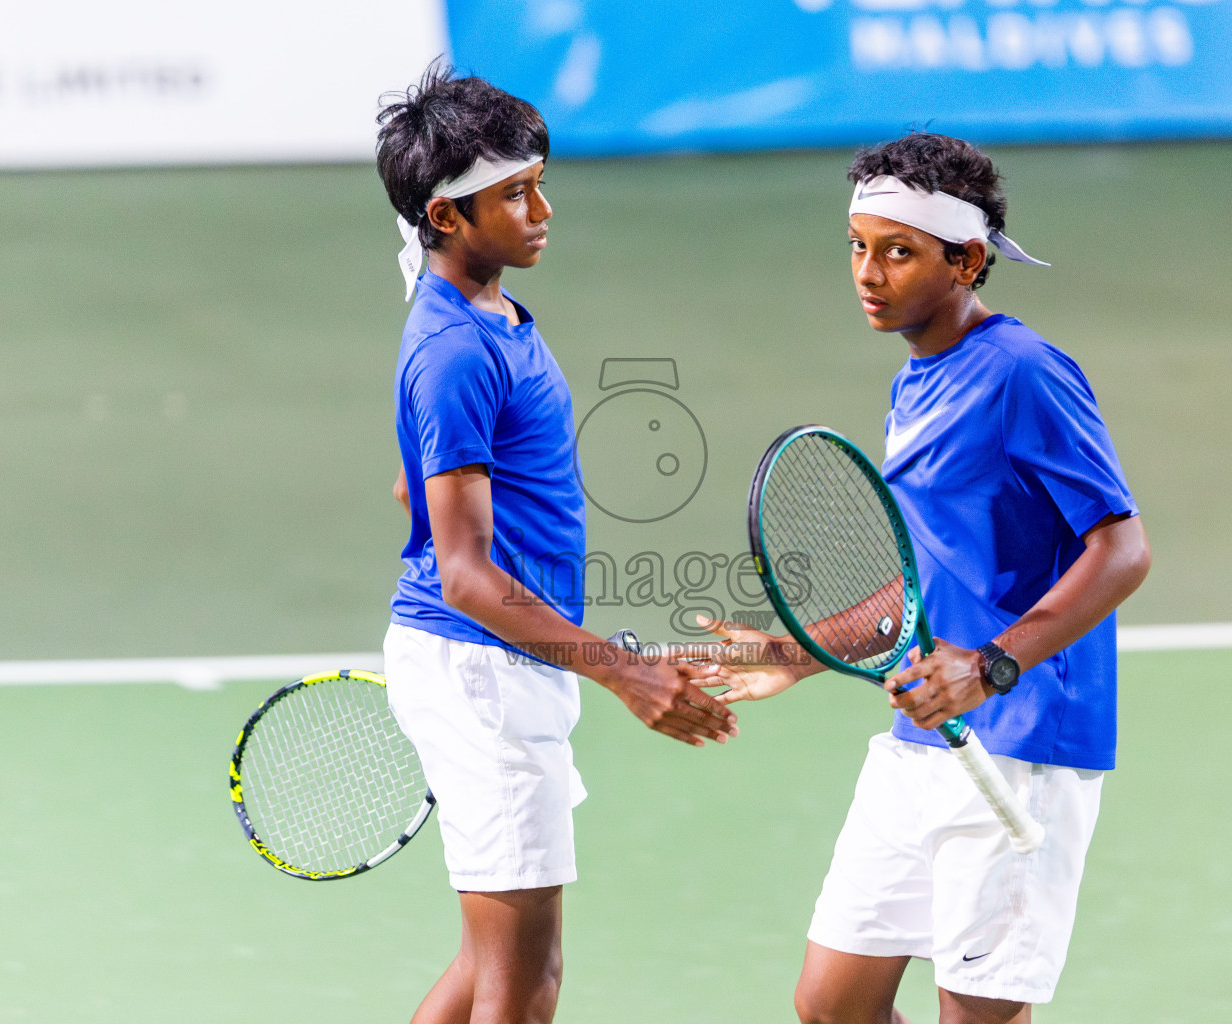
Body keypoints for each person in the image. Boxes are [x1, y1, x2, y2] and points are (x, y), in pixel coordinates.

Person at [700, 131, 1151, 1024]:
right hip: (925, 737)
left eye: (898, 252)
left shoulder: (1023, 373)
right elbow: (929, 579)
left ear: (968, 261)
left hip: (1019, 744)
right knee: (832, 1005)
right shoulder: (920, 380)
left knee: (976, 1013)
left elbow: (1123, 549)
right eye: (859, 248)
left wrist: (987, 667)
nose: (869, 273)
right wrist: (802, 650)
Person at [375, 64, 736, 1024]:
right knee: (523, 990)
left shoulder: (480, 314)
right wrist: (626, 674)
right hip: (483, 670)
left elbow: (423, 489)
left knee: (483, 973)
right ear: (445, 218)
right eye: (514, 195)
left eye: (540, 182)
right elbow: (463, 575)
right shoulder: (455, 348)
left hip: (501, 666)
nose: (541, 210)